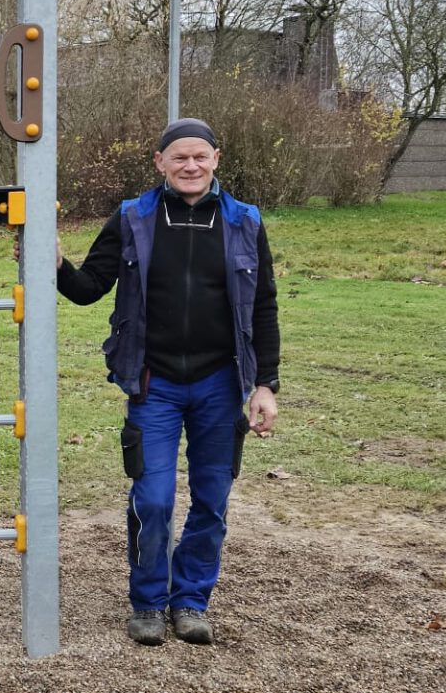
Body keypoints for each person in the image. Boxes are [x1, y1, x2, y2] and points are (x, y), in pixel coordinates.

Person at [55, 118, 279, 647]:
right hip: (153, 383)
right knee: (152, 498)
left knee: (212, 500)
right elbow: (89, 288)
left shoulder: (244, 222)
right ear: (160, 163)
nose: (190, 166)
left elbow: (263, 307)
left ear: (216, 159)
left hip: (220, 384)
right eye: (179, 157)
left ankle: (191, 601)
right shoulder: (134, 218)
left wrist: (264, 385)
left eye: (200, 156)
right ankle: (149, 603)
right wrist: (56, 263)